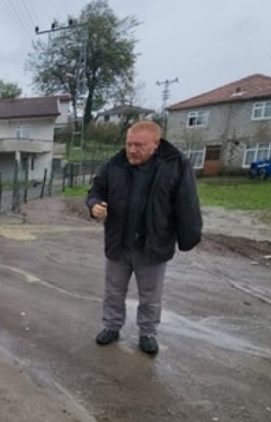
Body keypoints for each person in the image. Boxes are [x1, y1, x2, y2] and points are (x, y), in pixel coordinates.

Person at [85, 120, 202, 355]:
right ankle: (111, 326)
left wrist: (188, 236)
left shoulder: (175, 164)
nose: (132, 150)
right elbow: (96, 190)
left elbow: (187, 201)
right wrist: (94, 205)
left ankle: (147, 333)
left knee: (150, 295)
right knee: (113, 291)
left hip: (154, 244)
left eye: (139, 145)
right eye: (129, 144)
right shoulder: (115, 164)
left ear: (155, 144)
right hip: (119, 242)